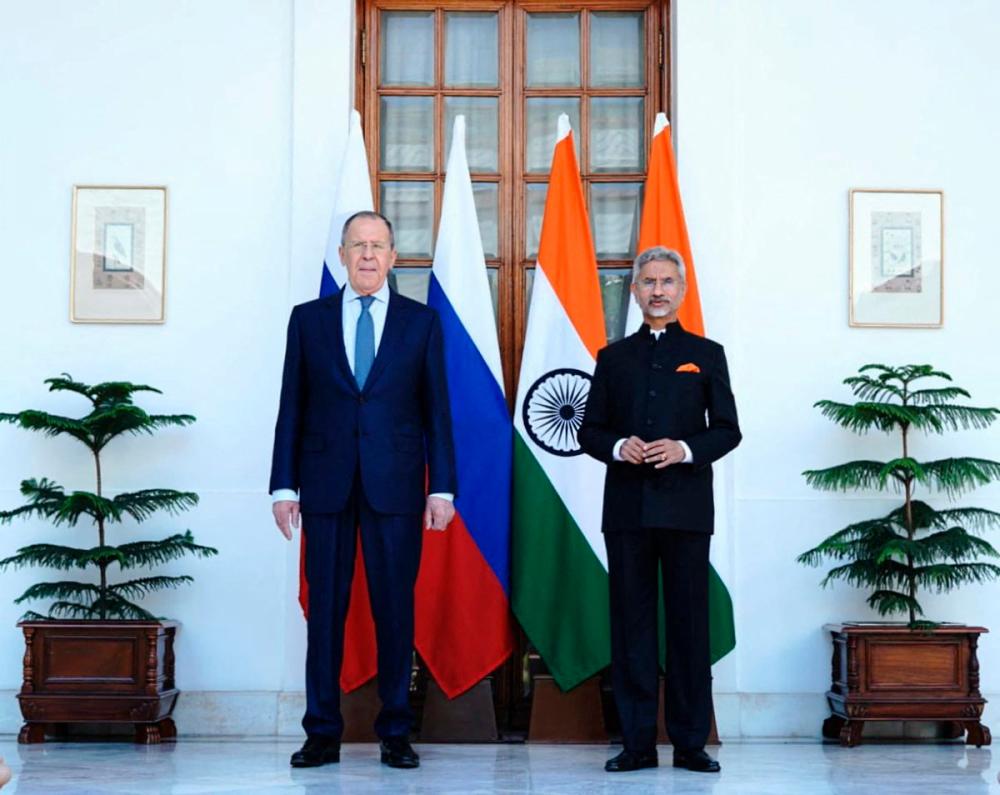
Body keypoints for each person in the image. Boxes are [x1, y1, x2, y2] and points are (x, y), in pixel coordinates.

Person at [269, 211, 457, 770]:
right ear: (343, 256)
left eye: (378, 246)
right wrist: (283, 486)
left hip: (396, 486)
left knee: (395, 610)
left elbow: (437, 412)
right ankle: (321, 733)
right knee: (325, 612)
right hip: (325, 485)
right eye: (358, 246)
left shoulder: (421, 323)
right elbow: (291, 406)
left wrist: (443, 489)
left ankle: (395, 732)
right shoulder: (308, 320)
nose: (368, 256)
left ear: (393, 257)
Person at [578, 246, 741, 774]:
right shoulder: (612, 357)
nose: (658, 290)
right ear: (634, 290)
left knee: (689, 626)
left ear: (682, 290)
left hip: (687, 510)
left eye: (667, 281)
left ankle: (691, 743)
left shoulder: (706, 353)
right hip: (627, 511)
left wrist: (685, 449)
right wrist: (617, 445)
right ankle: (637, 744)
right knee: (632, 628)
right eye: (648, 281)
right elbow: (589, 431)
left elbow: (728, 430)